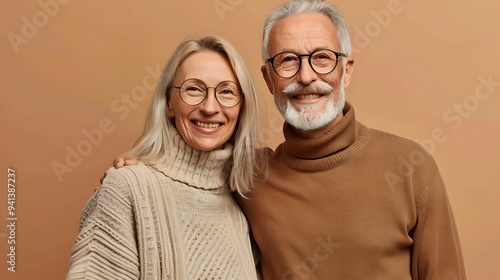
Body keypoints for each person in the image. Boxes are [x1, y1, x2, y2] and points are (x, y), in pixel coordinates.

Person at [111, 0, 467, 279]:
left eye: (323, 58)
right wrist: (141, 169)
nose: (306, 76)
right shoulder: (248, 174)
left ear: (347, 70)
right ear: (268, 79)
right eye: (287, 61)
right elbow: (192, 170)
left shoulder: (410, 165)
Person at [67, 35, 263, 280]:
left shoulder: (242, 207)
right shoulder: (127, 187)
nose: (210, 107)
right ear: (169, 103)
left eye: (226, 91)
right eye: (193, 89)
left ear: (241, 107)